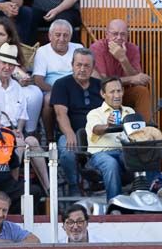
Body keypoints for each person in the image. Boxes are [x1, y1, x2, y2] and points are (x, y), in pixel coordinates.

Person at [51, 48, 101, 196]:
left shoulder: (100, 86)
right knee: (67, 151)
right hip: (71, 131)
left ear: (93, 68)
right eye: (79, 65)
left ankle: (99, 184)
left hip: (97, 134)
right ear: (72, 64)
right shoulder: (61, 84)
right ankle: (74, 186)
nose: (82, 69)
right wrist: (69, 133)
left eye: (87, 66)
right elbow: (61, 114)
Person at [88, 18, 153, 121]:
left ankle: (144, 130)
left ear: (127, 35)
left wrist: (123, 59)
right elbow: (104, 82)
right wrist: (131, 79)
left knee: (142, 91)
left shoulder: (133, 48)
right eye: (115, 34)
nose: (119, 37)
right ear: (107, 35)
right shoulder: (98, 48)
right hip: (104, 94)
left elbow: (138, 81)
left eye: (123, 34)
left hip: (124, 92)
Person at [84, 77, 135, 201]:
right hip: (101, 154)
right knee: (110, 163)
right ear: (103, 94)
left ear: (123, 91)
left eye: (119, 91)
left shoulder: (130, 111)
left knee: (145, 157)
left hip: (125, 153)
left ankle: (147, 198)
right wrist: (108, 126)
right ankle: (114, 205)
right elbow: (96, 129)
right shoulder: (95, 113)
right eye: (112, 92)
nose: (116, 95)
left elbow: (137, 134)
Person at [0, 41, 41, 136]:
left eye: (11, 64)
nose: (7, 67)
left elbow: (22, 115)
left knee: (32, 142)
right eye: (4, 63)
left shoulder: (16, 87)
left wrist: (18, 131)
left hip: (13, 131)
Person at [33, 19, 81, 135]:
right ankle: (50, 139)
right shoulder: (42, 51)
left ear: (70, 37)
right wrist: (58, 91)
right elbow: (38, 80)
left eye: (65, 35)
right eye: (57, 35)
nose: (62, 39)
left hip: (76, 88)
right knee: (49, 99)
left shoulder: (78, 48)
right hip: (52, 89)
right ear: (50, 36)